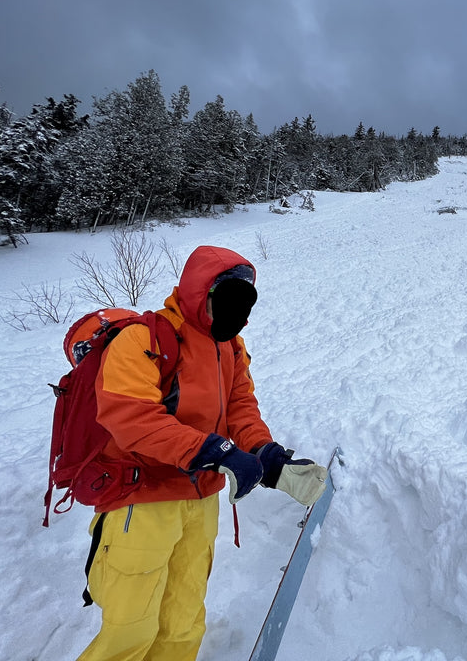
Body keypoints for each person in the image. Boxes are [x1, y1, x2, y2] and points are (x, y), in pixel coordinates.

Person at [76, 244, 327, 661]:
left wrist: (267, 455)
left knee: (183, 623)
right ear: (199, 293)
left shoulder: (230, 347)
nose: (236, 312)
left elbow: (241, 408)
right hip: (143, 500)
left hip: (200, 500)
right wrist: (215, 450)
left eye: (244, 303)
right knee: (129, 633)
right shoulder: (145, 339)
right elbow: (131, 416)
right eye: (227, 300)